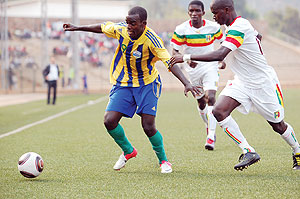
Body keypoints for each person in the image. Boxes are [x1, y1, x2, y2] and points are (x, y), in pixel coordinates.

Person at [63, 6, 199, 173]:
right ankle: (129, 151)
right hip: (125, 83)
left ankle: (164, 161)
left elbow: (169, 62)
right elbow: (102, 27)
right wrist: (77, 28)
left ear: (143, 24)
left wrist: (186, 82)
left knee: (148, 126)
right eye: (127, 22)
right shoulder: (122, 29)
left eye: (133, 23)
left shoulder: (152, 40)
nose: (128, 26)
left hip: (147, 84)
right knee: (109, 121)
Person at [170, 0, 300, 171]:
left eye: (216, 13)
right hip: (242, 81)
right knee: (218, 111)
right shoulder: (231, 27)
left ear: (227, 10)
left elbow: (220, 53)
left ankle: (297, 151)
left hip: (262, 83)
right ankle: (248, 151)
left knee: (277, 125)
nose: (214, 17)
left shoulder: (240, 26)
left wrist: (186, 57)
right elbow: (257, 36)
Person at [171, 0, 225, 150]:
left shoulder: (213, 27)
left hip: (210, 66)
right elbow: (174, 52)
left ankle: (211, 137)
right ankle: (208, 126)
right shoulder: (181, 29)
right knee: (201, 102)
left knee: (211, 97)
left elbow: (223, 43)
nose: (194, 14)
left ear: (203, 13)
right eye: (191, 11)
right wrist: (186, 60)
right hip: (193, 70)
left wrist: (221, 59)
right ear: (188, 12)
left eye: (197, 11)